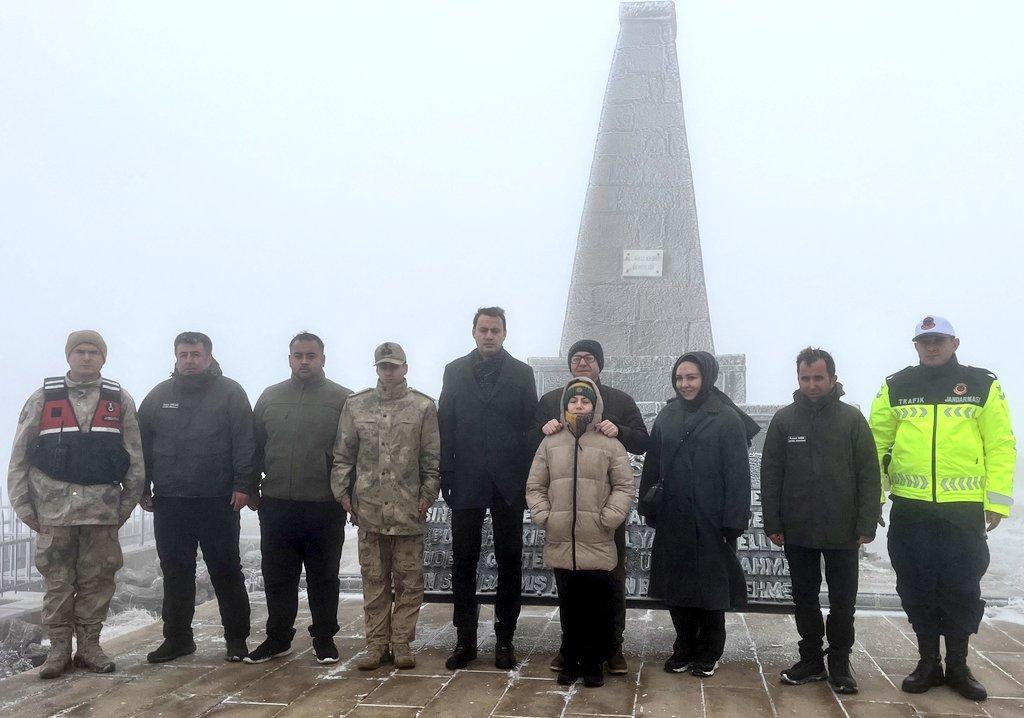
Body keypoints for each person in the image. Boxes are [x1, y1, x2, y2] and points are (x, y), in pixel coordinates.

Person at [870, 316, 1016, 701]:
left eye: (938, 340)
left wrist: (997, 500)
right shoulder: (896, 386)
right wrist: (873, 500)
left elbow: (1000, 444)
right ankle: (927, 662)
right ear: (915, 346)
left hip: (962, 510)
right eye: (924, 341)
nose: (931, 347)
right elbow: (875, 447)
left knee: (962, 587)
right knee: (916, 585)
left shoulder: (982, 383)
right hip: (911, 508)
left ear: (954, 342)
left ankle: (959, 665)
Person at [6, 330, 145, 679]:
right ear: (69, 356)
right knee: (57, 584)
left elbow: (135, 459)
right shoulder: (42, 399)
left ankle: (89, 648)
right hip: (54, 513)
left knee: (97, 582)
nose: (86, 357)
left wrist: (125, 506)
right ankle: (58, 651)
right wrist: (24, 507)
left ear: (103, 357)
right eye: (80, 351)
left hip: (101, 512)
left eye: (93, 352)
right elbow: (19, 457)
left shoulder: (119, 400)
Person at [761, 347, 881, 694]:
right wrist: (773, 523)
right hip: (797, 530)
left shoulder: (851, 419)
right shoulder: (784, 420)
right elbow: (771, 475)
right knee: (804, 598)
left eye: (818, 378)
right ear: (798, 378)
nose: (812, 384)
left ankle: (840, 663)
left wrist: (866, 523)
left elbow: (868, 474)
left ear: (832, 379)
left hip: (843, 532)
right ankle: (811, 659)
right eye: (805, 378)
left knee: (844, 602)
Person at [638, 351, 758, 678]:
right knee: (677, 586)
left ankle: (709, 649)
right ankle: (684, 645)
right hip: (674, 515)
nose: (685, 384)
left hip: (711, 518)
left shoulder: (726, 418)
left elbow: (737, 475)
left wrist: (733, 520)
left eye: (691, 377)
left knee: (710, 588)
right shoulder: (667, 415)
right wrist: (648, 506)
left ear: (706, 377)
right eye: (679, 378)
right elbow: (653, 464)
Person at [138, 331, 256, 663]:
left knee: (226, 571)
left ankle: (236, 640)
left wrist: (243, 484)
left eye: (196, 354)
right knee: (175, 572)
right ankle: (177, 639)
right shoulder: (159, 396)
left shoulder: (230, 393)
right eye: (184, 355)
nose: (189, 360)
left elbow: (245, 440)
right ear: (175, 357)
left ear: (208, 357)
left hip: (218, 500)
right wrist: (141, 486)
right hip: (171, 501)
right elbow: (141, 445)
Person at [533, 339, 648, 675]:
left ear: (600, 364)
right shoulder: (551, 400)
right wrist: (543, 428)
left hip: (603, 517)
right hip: (564, 517)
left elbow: (642, 440)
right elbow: (532, 446)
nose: (583, 363)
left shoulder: (620, 401)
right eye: (577, 358)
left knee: (610, 582)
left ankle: (612, 647)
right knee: (568, 584)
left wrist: (621, 429)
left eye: (590, 358)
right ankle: (570, 647)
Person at [438, 307, 538, 670]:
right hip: (465, 481)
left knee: (510, 561)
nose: (489, 335)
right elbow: (445, 423)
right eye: (484, 329)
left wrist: (526, 477)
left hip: (508, 483)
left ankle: (505, 641)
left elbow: (531, 429)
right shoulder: (454, 370)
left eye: (495, 330)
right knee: (463, 561)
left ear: (505, 333)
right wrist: (446, 474)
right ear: (474, 332)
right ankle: (465, 640)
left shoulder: (522, 374)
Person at [332, 342, 440, 671]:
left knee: (409, 582)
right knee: (374, 581)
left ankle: (402, 642)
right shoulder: (356, 405)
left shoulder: (422, 407)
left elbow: (431, 461)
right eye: (383, 366)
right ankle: (376, 644)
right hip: (369, 511)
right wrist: (344, 495)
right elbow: (342, 457)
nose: (389, 371)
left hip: (408, 511)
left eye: (394, 366)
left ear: (405, 368)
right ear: (376, 368)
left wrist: (425, 499)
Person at [245, 332, 352, 665]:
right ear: (289, 358)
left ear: (323, 358)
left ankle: (324, 638)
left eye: (310, 355)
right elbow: (254, 447)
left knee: (324, 576)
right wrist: (250, 486)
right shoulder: (270, 397)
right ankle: (278, 638)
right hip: (276, 502)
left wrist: (348, 495)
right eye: (298, 355)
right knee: (278, 576)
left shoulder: (342, 399)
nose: (304, 361)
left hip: (324, 503)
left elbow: (352, 451)